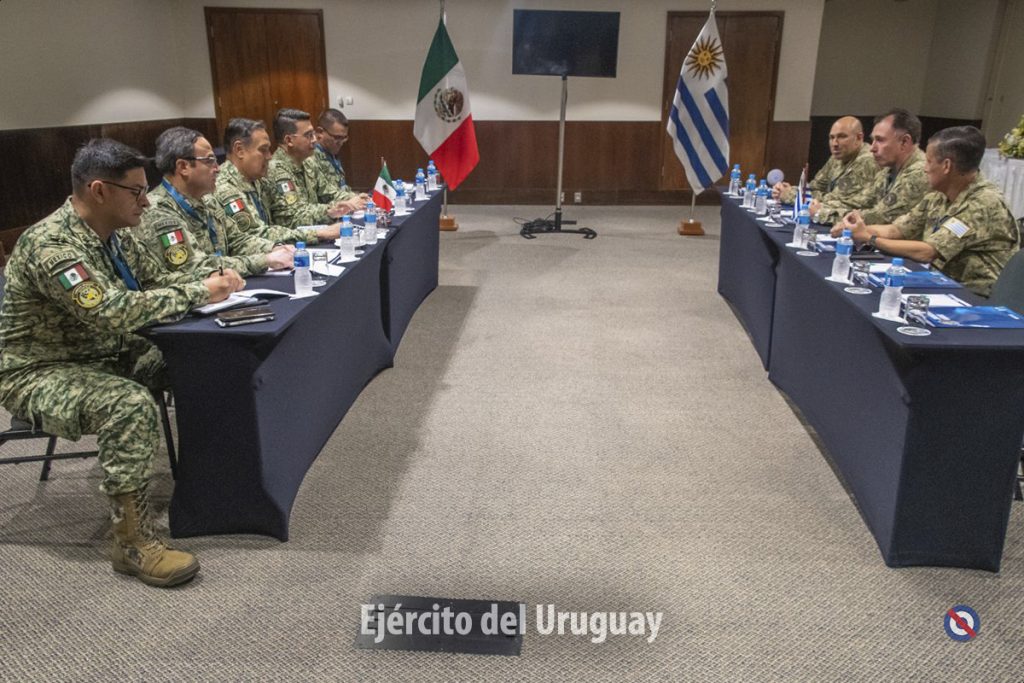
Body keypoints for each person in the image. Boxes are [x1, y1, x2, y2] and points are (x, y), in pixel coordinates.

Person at [0, 139, 244, 587]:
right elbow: (109, 311)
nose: (146, 201)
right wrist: (198, 292)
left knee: (204, 361)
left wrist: (214, 278)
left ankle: (213, 485)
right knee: (128, 405)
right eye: (136, 191)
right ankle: (132, 544)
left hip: (107, 352)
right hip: (39, 370)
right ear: (99, 190)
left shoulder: (117, 234)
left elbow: (159, 278)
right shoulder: (52, 246)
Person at [839, 126, 1019, 297]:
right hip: (943, 285)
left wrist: (869, 238)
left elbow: (927, 252)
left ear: (946, 166)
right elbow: (897, 230)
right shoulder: (940, 194)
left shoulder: (983, 203)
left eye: (929, 161)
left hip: (976, 296)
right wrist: (856, 228)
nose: (924, 168)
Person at [137, 127, 294, 277]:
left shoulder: (208, 199)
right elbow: (194, 266)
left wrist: (274, 248)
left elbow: (237, 240)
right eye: (210, 160)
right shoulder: (158, 210)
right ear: (183, 167)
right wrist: (263, 260)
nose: (218, 168)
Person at [213, 118, 343, 245]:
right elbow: (256, 235)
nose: (269, 156)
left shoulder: (258, 179)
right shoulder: (225, 187)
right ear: (239, 150)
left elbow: (286, 212)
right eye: (263, 150)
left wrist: (332, 211)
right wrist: (318, 233)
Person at [818, 109, 928, 225]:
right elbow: (861, 201)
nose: (872, 148)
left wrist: (824, 213)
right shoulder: (888, 169)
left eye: (880, 140)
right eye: (873, 140)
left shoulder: (919, 173)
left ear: (904, 142)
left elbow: (879, 217)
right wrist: (822, 206)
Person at [772, 116, 876, 222]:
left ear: (859, 138)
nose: (835, 143)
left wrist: (789, 195)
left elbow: (836, 201)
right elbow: (815, 187)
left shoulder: (867, 161)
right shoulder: (838, 157)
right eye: (831, 137)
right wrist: (792, 190)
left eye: (842, 137)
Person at [266, 108, 353, 229]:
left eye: (313, 134)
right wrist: (330, 210)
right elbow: (294, 217)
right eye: (308, 135)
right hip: (296, 238)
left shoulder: (308, 163)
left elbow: (329, 192)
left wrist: (354, 199)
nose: (315, 139)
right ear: (289, 140)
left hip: (315, 231)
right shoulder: (276, 170)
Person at [307, 108, 366, 209]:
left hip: (341, 207)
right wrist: (352, 197)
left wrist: (356, 196)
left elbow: (340, 186)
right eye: (337, 138)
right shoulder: (310, 156)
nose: (341, 142)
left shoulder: (331, 152)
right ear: (320, 132)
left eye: (344, 138)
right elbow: (325, 192)